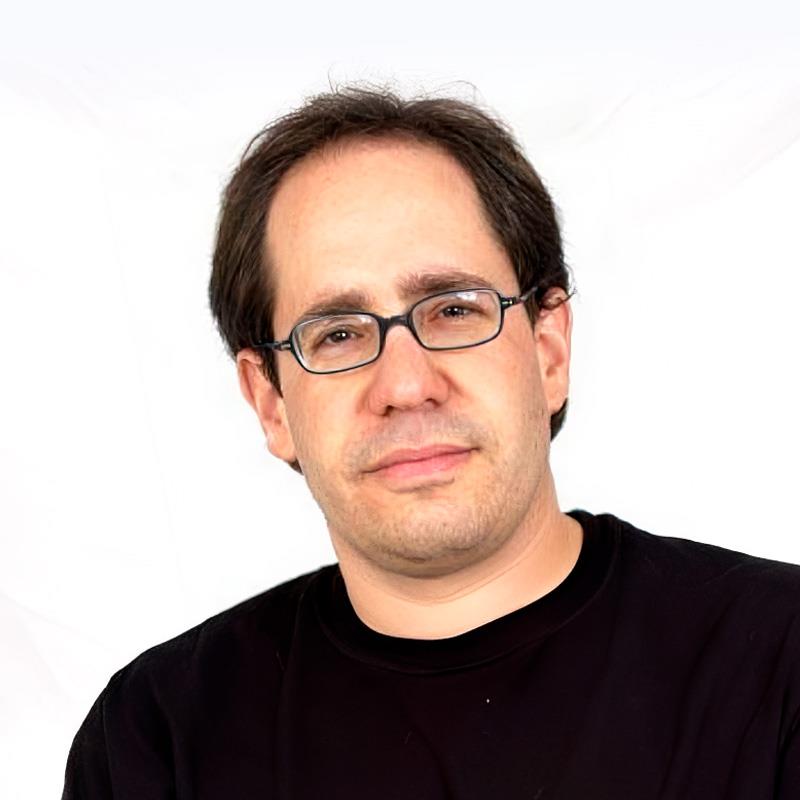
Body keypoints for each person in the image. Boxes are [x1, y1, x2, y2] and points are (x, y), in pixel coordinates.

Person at [62, 85, 800, 799]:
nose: (407, 384)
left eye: (452, 310)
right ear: (270, 402)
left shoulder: (780, 661)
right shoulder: (158, 740)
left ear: (548, 350)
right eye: (338, 333)